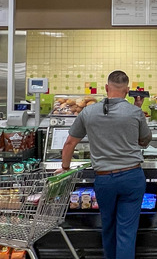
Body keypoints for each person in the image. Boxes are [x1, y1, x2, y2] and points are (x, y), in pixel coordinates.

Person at [60, 70, 151, 259]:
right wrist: (137, 108)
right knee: (126, 232)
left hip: (104, 179)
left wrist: (65, 168)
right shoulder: (135, 112)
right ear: (127, 90)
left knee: (108, 227)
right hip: (131, 177)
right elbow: (145, 140)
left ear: (106, 88)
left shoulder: (88, 112)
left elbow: (69, 143)